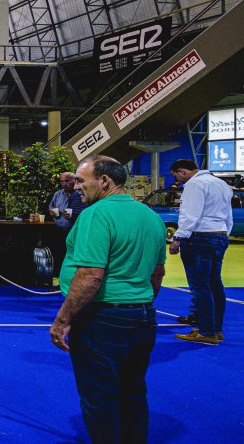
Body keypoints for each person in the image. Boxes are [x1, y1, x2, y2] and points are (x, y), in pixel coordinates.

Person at [49, 155, 166, 444]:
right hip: (142, 317)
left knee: (98, 396)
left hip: (102, 320)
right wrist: (139, 304)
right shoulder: (151, 216)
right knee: (133, 393)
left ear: (104, 181)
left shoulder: (95, 215)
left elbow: (90, 275)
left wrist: (63, 320)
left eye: (81, 180)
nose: (76, 186)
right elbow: (157, 273)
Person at [168, 159, 232, 345]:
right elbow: (228, 215)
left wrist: (178, 238)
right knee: (215, 285)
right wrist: (223, 235)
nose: (179, 181)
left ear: (182, 171)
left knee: (200, 286)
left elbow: (190, 215)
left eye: (177, 177)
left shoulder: (194, 184)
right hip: (219, 235)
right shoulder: (221, 184)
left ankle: (206, 332)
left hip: (199, 238)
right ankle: (216, 329)